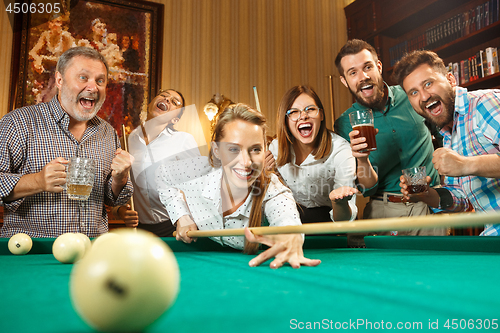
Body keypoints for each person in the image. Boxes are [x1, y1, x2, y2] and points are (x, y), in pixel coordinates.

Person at [158, 104, 321, 268]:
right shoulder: (198, 172)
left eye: (256, 149)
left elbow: (287, 220)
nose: (246, 162)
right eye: (234, 149)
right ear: (216, 150)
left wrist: (291, 239)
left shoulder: (272, 188)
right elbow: (161, 176)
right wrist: (181, 216)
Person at [0, 46, 134, 238]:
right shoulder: (18, 122)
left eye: (100, 80)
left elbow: (113, 199)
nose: (93, 87)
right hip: (34, 255)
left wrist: (120, 179)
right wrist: (37, 181)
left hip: (92, 252)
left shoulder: (108, 133)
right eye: (83, 77)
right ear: (60, 80)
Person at [334, 39, 446, 236]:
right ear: (344, 80)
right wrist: (362, 158)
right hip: (384, 212)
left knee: (436, 266)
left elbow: (445, 133)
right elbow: (366, 190)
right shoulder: (344, 123)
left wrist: (451, 188)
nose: (364, 76)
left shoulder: (411, 94)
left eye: (367, 67)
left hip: (427, 206)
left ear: (378, 66)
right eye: (353, 72)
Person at [392, 50, 500, 236]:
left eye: (428, 83)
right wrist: (426, 195)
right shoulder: (449, 135)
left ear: (451, 80)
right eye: (414, 92)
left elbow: (465, 166)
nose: (424, 97)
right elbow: (462, 200)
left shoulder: (485, 103)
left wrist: (466, 164)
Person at [114, 89, 201, 237]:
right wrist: (122, 211)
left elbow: (197, 187)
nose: (167, 100)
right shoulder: (126, 142)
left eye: (174, 102)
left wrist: (186, 217)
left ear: (175, 119)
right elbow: (118, 189)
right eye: (164, 95)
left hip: (174, 226)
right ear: (150, 104)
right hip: (140, 230)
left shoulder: (183, 140)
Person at [266, 85, 358, 223]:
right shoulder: (275, 149)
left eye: (310, 109)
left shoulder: (341, 150)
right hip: (289, 222)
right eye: (294, 112)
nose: (303, 116)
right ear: (286, 120)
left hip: (331, 227)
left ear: (321, 115)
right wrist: (264, 176)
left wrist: (339, 202)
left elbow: (344, 220)